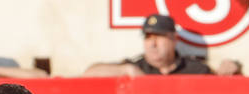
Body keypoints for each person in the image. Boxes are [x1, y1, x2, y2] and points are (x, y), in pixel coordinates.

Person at [83, 13, 240, 77]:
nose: (152, 44)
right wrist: (127, 69)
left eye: (158, 36)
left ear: (174, 39)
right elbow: (89, 73)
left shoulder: (195, 69)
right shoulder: (137, 66)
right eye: (148, 37)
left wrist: (232, 69)